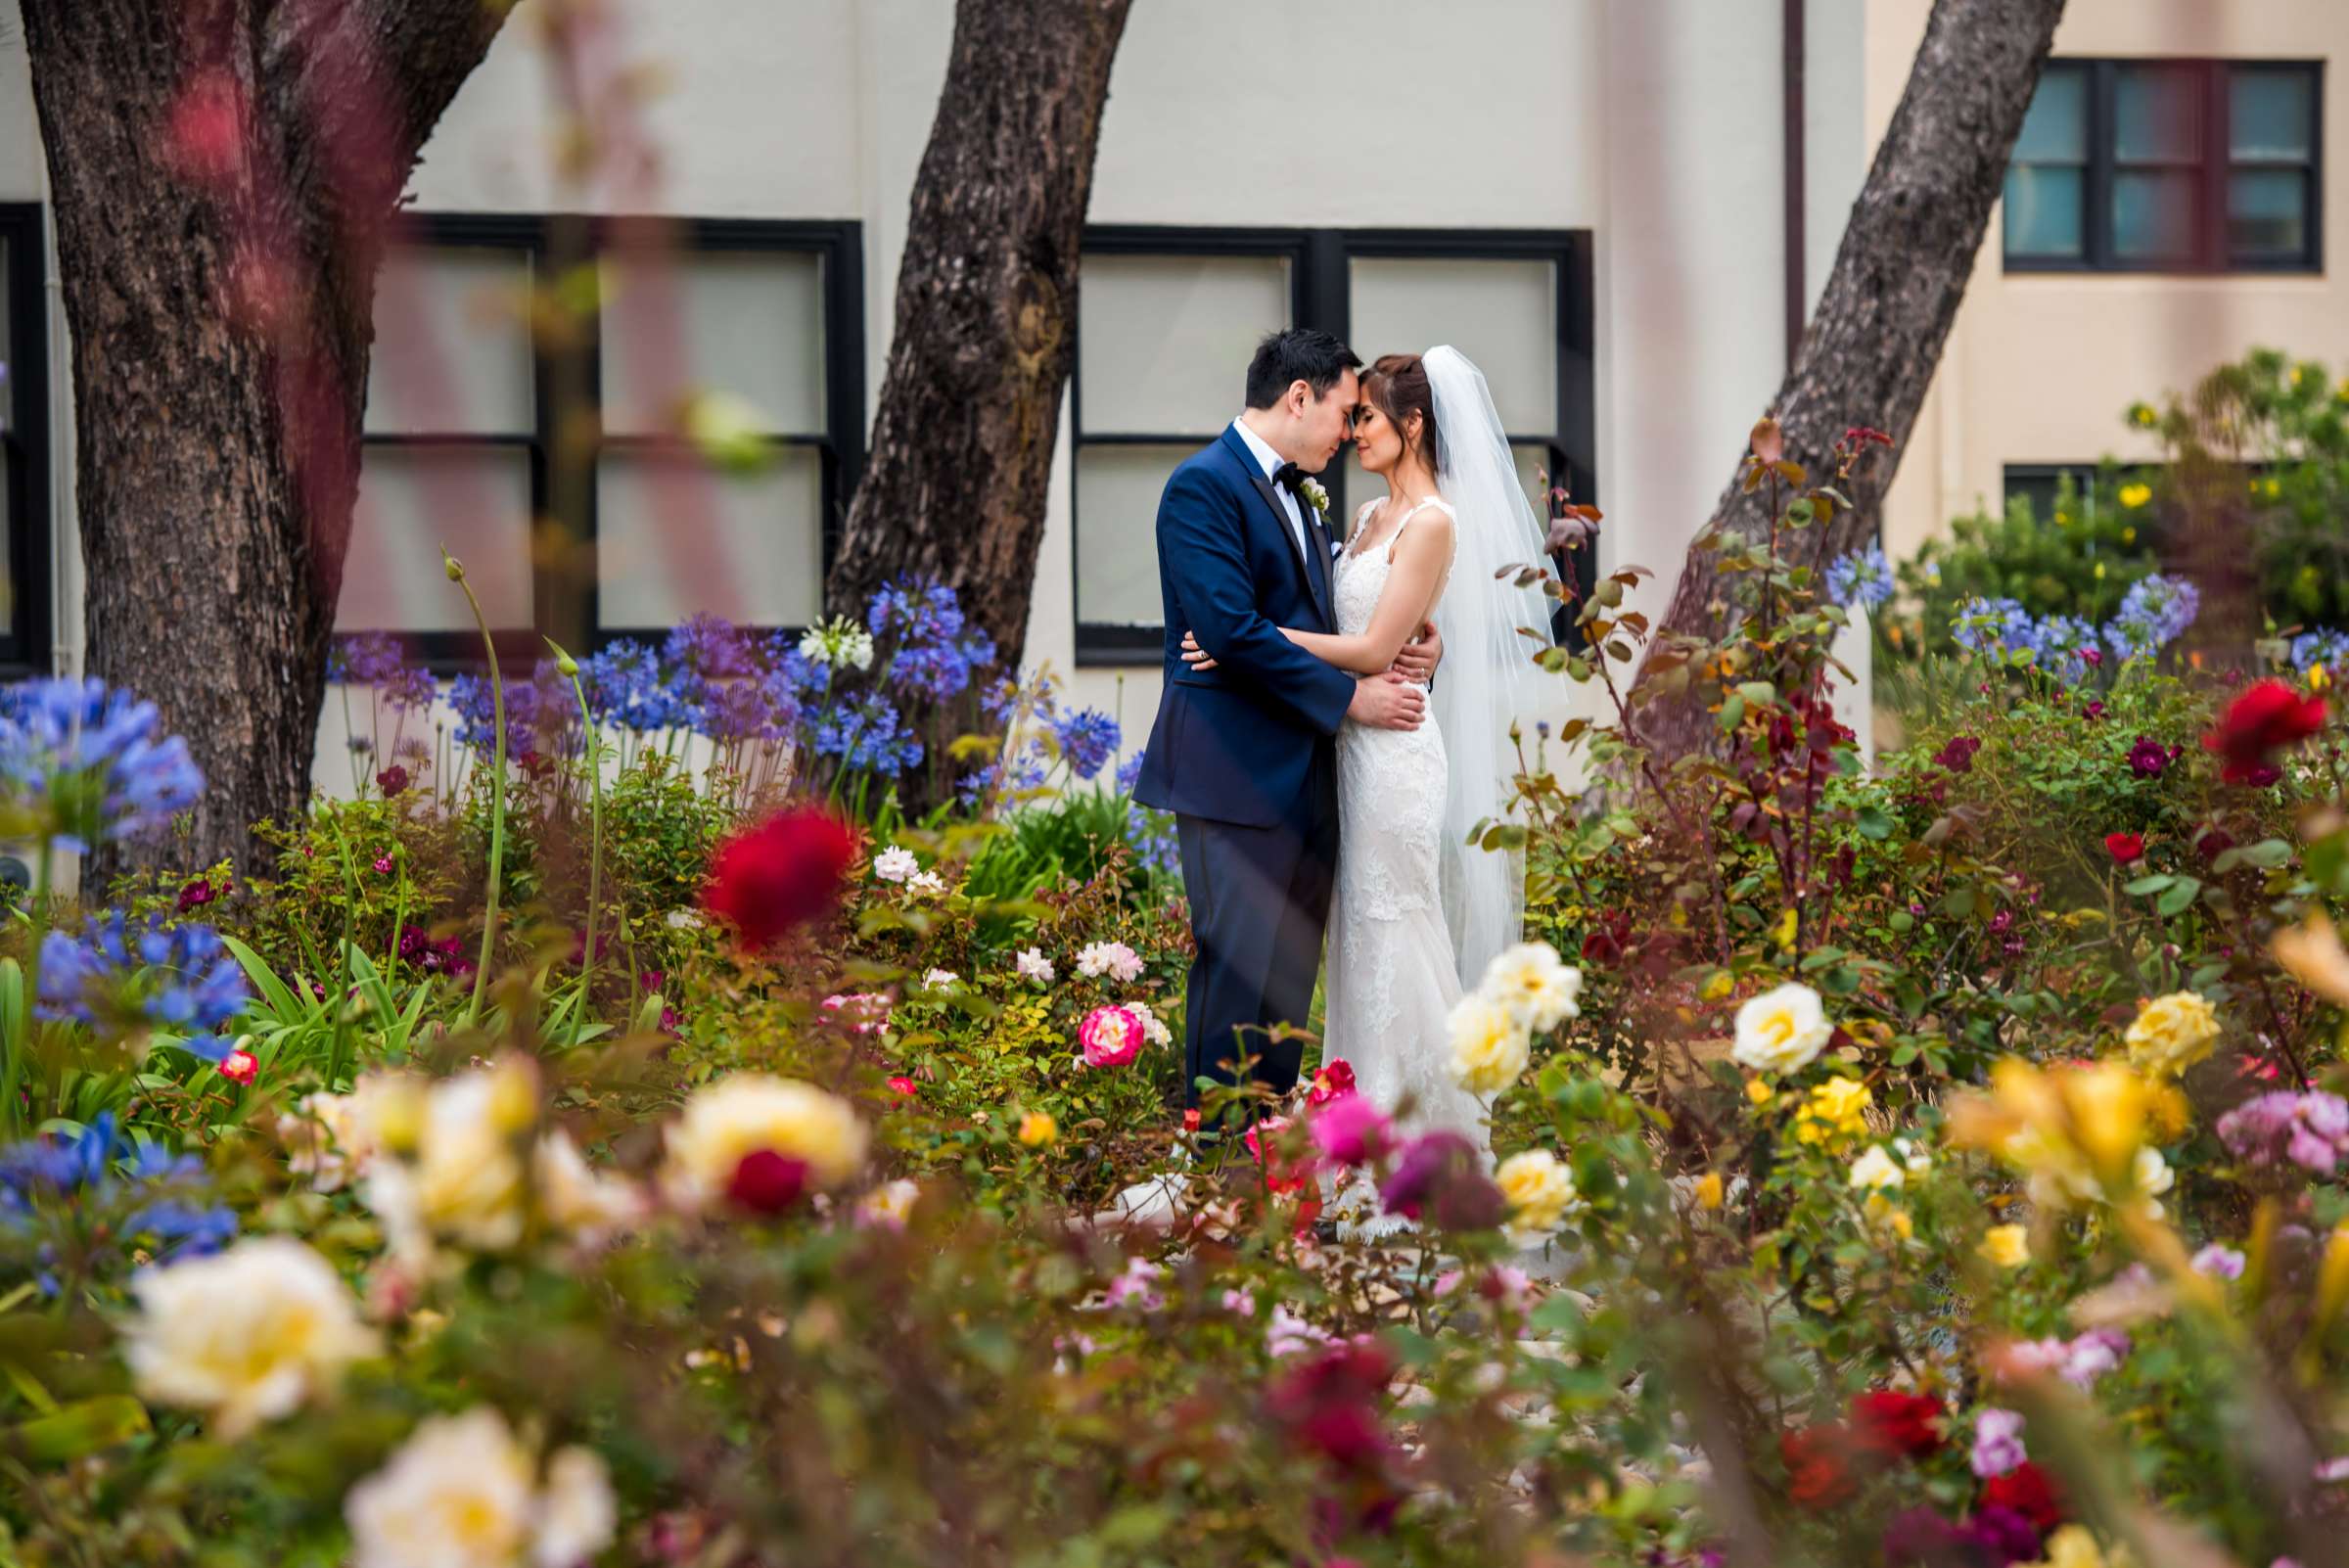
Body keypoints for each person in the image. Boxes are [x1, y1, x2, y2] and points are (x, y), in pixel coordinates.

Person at [1175, 347, 1555, 1208]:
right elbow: (1363, 622)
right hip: (1331, 753)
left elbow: (1378, 646)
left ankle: (1415, 1154)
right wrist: (1285, 645)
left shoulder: (1429, 521)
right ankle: (1331, 1151)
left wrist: (1249, 638)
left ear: (1410, 425)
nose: (1352, 434)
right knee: (1346, 952)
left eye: (1368, 419)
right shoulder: (1356, 513)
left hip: (1386, 757)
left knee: (1392, 931)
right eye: (1348, 417)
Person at [1128, 329, 1439, 1128]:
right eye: (1342, 410)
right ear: (1298, 397)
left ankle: (1267, 1168)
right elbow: (1228, 629)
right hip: (1234, 778)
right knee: (1236, 978)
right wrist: (1350, 701)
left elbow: (1334, 616)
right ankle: (1215, 1176)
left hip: (1311, 782)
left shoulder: (1303, 492)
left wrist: (1417, 643)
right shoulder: (1202, 487)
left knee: (1286, 992)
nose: (1348, 430)